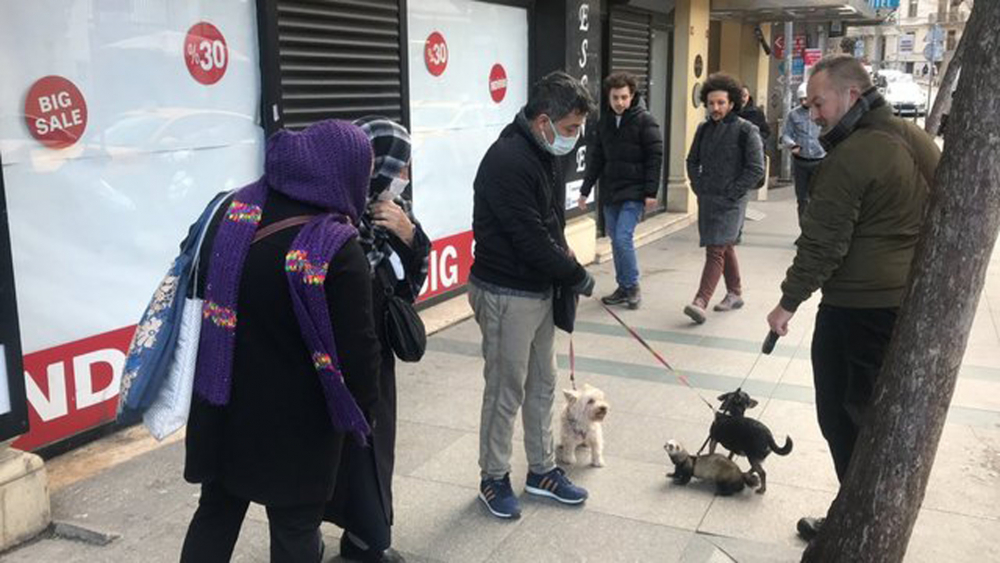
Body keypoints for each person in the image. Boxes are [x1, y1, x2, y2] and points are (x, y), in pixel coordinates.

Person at [180, 119, 382, 563]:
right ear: (343, 173)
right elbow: (360, 355)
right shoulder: (335, 247)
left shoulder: (233, 213)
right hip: (299, 428)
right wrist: (361, 414)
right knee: (295, 530)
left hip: (222, 405)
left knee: (216, 511)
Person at [765, 54, 940, 541]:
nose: (814, 114)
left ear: (852, 95)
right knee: (870, 418)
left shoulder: (856, 154)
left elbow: (823, 243)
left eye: (819, 103)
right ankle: (863, 512)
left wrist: (787, 303)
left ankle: (858, 522)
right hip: (897, 303)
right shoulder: (918, 140)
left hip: (856, 309)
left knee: (843, 417)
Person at [469, 71, 596, 520]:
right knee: (506, 391)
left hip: (539, 289)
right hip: (506, 292)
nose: (574, 139)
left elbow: (549, 224)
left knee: (543, 384)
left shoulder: (542, 150)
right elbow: (528, 238)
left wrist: (564, 268)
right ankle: (493, 477)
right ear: (543, 120)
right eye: (569, 130)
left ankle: (542, 471)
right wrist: (575, 273)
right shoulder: (508, 159)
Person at [324, 117, 431, 563]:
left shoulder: (393, 215)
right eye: (399, 166)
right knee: (338, 453)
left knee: (372, 450)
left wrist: (410, 237)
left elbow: (409, 289)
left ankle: (365, 538)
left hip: (374, 357)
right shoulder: (331, 212)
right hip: (334, 359)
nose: (404, 176)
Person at [578, 71, 664, 310]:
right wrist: (585, 191)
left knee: (623, 237)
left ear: (632, 96)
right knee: (616, 240)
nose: (619, 102)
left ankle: (633, 286)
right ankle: (623, 287)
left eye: (624, 97)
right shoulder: (604, 122)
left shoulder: (645, 120)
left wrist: (651, 192)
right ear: (608, 97)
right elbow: (596, 158)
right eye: (615, 97)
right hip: (611, 191)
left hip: (634, 192)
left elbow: (655, 156)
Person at [683, 73, 764, 324]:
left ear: (731, 103)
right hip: (708, 198)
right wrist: (698, 186)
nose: (715, 108)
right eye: (711, 103)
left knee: (715, 249)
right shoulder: (703, 129)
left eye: (720, 103)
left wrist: (733, 192)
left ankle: (700, 301)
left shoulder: (746, 130)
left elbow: (756, 168)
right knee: (724, 245)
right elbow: (691, 160)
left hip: (732, 201)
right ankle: (735, 292)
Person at [781, 82, 826, 221]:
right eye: (801, 99)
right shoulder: (793, 115)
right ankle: (804, 230)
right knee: (802, 199)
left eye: (806, 98)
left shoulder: (823, 112)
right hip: (800, 162)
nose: (804, 102)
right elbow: (786, 134)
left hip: (820, 161)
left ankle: (816, 230)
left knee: (817, 198)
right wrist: (792, 145)